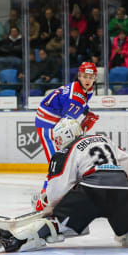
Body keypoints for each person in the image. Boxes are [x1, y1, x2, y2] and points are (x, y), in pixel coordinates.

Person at [0, 118, 128, 253]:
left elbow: (57, 191)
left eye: (58, 139)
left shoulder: (67, 150)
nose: (58, 143)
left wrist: (50, 205)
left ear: (66, 135)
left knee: (57, 220)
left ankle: (15, 240)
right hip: (123, 189)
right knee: (126, 230)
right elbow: (127, 162)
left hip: (91, 190)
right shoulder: (103, 139)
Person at [33, 62, 100, 210]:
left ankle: (63, 196)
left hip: (55, 121)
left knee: (64, 162)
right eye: (84, 76)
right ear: (79, 76)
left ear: (95, 78)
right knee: (56, 164)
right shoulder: (74, 97)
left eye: (90, 77)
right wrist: (83, 126)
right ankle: (43, 200)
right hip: (48, 126)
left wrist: (86, 113)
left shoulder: (86, 90)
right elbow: (66, 126)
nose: (87, 80)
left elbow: (81, 105)